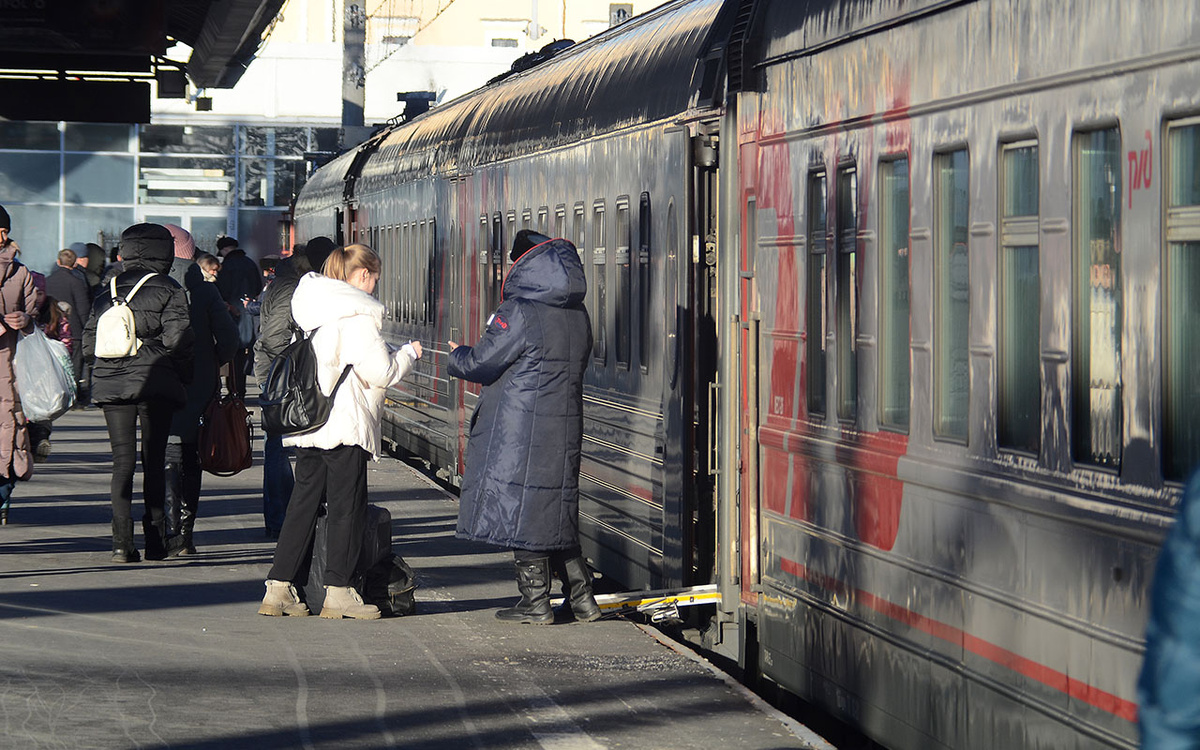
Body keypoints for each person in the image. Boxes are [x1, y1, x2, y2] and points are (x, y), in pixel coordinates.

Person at [258, 243, 422, 619]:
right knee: (348, 507)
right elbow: (381, 372)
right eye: (374, 278)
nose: (374, 286)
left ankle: (278, 588)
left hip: (311, 424)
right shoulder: (356, 314)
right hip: (344, 423)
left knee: (302, 504)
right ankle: (338, 591)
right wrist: (409, 354)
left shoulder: (312, 308)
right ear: (362, 275)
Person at [446, 230, 600, 624]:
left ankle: (534, 602)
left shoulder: (519, 311)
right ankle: (583, 599)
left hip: (519, 428)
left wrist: (457, 355)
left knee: (525, 510)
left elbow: (482, 362)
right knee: (554, 508)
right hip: (563, 424)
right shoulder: (578, 314)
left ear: (522, 263)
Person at [83, 223, 194, 562]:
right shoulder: (169, 287)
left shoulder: (107, 289)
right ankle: (156, 541)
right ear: (163, 252)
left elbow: (89, 344)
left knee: (122, 462)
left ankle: (121, 543)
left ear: (127, 250)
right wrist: (172, 367)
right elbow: (179, 338)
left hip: (111, 381)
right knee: (154, 459)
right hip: (153, 381)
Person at [252, 236, 335, 539]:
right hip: (282, 380)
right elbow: (274, 338)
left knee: (280, 448)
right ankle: (281, 519)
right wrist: (280, 379)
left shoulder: (288, 281)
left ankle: (282, 518)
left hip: (279, 376)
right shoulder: (292, 289)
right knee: (279, 449)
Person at [163, 224, 237, 555]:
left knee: (163, 454)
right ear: (191, 253)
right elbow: (231, 340)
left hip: (157, 382)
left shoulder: (145, 288)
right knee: (191, 456)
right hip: (198, 385)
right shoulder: (205, 292)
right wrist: (211, 362)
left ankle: (165, 530)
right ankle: (185, 535)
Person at [0, 208, 38, 526]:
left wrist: (26, 321)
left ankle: (2, 498)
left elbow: (33, 316)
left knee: (11, 435)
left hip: (12, 370)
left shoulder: (21, 272)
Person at [26, 271, 72, 462]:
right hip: (26, 369)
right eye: (33, 293)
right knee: (28, 408)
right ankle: (32, 441)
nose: (37, 298)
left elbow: (66, 339)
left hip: (46, 371)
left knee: (44, 406)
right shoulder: (21, 310)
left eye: (40, 293)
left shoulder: (54, 312)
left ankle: (40, 440)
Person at [214, 236, 262, 397]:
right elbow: (257, 287)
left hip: (231, 316)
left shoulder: (225, 266)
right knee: (244, 354)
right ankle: (239, 390)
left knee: (232, 356)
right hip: (249, 315)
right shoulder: (250, 263)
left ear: (224, 249)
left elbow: (222, 292)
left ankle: (233, 391)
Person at [45, 247, 91, 401]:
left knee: (53, 362)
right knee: (75, 364)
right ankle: (74, 397)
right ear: (74, 264)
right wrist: (87, 327)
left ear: (58, 262)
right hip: (74, 329)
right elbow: (83, 307)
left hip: (52, 327)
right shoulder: (76, 282)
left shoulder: (48, 281)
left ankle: (54, 394)